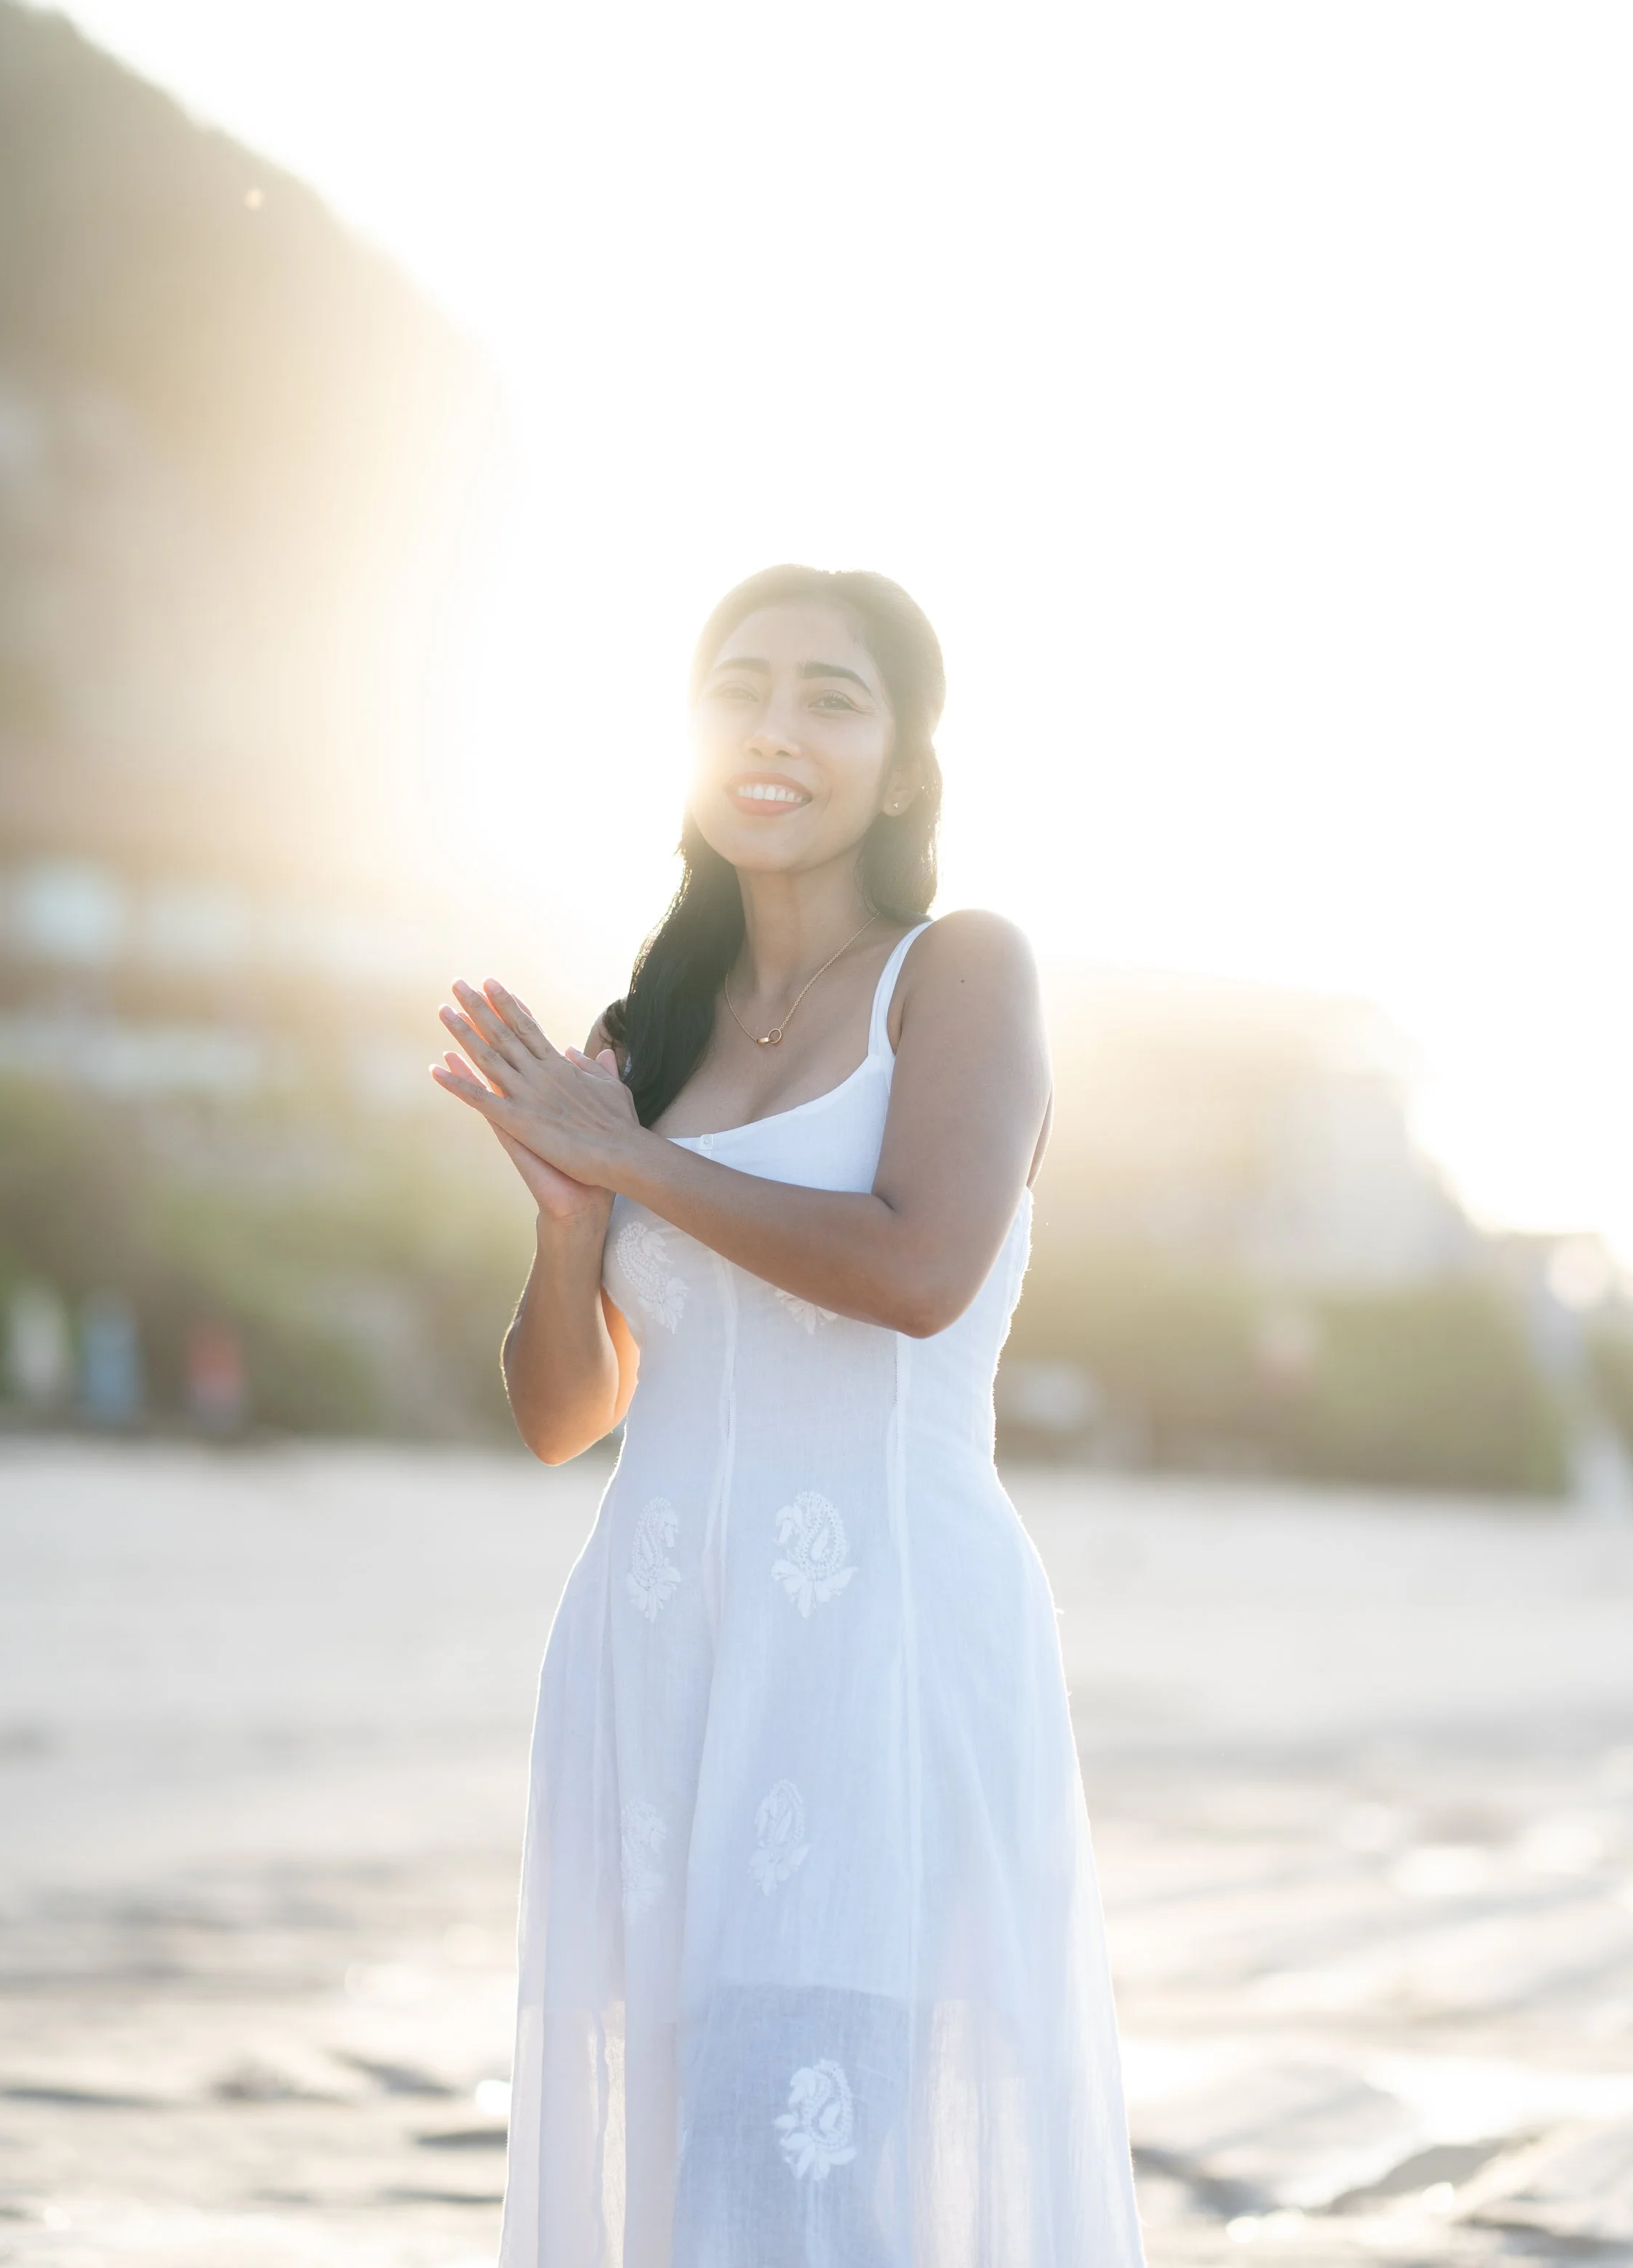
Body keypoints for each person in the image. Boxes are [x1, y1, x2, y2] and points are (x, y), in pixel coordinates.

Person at [432, 565, 1144, 2267]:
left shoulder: (957, 975)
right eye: (738, 688)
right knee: (693, 2176)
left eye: (832, 696)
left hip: (872, 1652)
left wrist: (636, 1164)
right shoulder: (643, 1039)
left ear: (901, 767)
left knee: (802, 2152)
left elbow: (918, 1269)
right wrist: (564, 1220)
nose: (775, 727)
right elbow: (562, 1412)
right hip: (659, 1652)